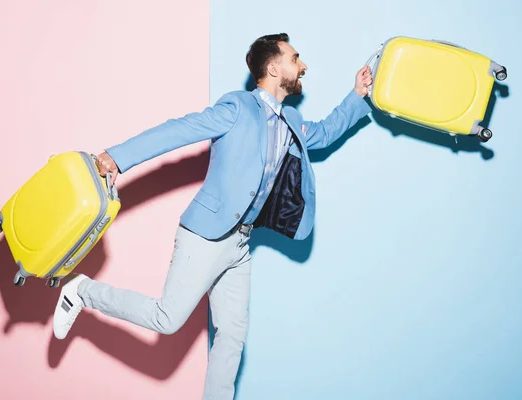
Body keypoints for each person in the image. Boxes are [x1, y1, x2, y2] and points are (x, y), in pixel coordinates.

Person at [52, 32, 373, 399]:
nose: (303, 66)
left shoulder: (291, 121)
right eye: (295, 57)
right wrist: (117, 157)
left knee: (232, 335)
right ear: (273, 67)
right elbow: (178, 131)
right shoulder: (237, 108)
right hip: (205, 235)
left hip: (239, 243)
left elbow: (325, 132)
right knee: (166, 319)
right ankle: (82, 291)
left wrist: (357, 95)